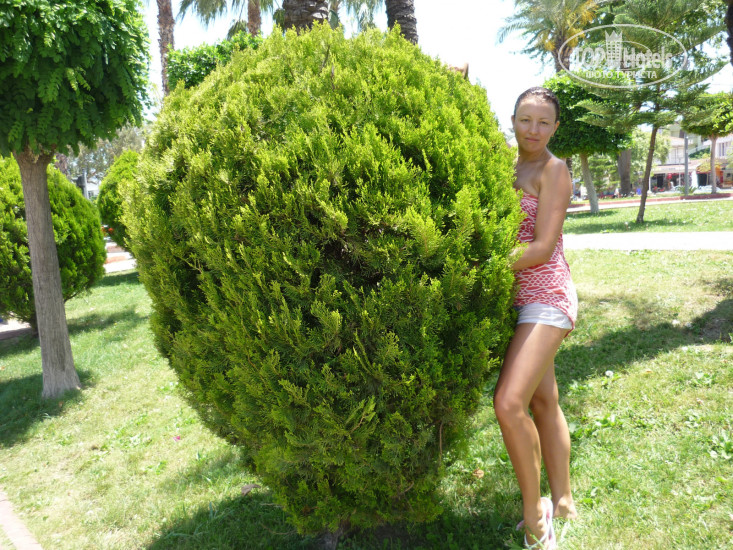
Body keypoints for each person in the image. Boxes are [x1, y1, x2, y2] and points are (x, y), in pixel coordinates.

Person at [493, 87, 578, 550]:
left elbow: (544, 247)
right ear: (512, 119)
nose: (534, 129)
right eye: (526, 119)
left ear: (555, 127)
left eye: (544, 122)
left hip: (546, 296)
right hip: (514, 301)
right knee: (543, 400)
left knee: (509, 403)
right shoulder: (503, 165)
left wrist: (484, 261)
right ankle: (563, 500)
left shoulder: (554, 170)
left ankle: (536, 518)